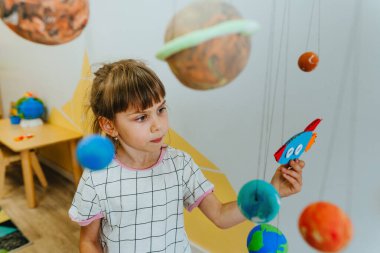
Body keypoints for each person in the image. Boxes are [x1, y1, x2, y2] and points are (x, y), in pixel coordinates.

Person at [68, 59, 305, 253]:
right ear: (109, 126)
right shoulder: (97, 178)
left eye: (160, 110)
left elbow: (221, 216)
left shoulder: (179, 164)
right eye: (141, 117)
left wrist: (271, 193)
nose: (158, 126)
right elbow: (89, 241)